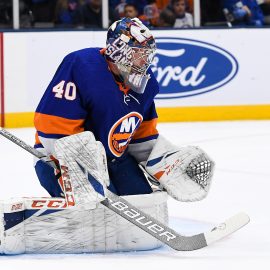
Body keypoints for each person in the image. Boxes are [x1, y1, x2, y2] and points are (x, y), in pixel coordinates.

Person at [34, 17, 214, 203]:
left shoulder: (146, 84)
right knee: (98, 208)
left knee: (144, 202)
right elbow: (51, 123)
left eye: (147, 55)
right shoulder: (82, 65)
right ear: (118, 51)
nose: (144, 61)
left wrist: (163, 161)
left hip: (113, 159)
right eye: (138, 54)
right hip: (61, 160)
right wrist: (80, 164)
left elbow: (141, 135)